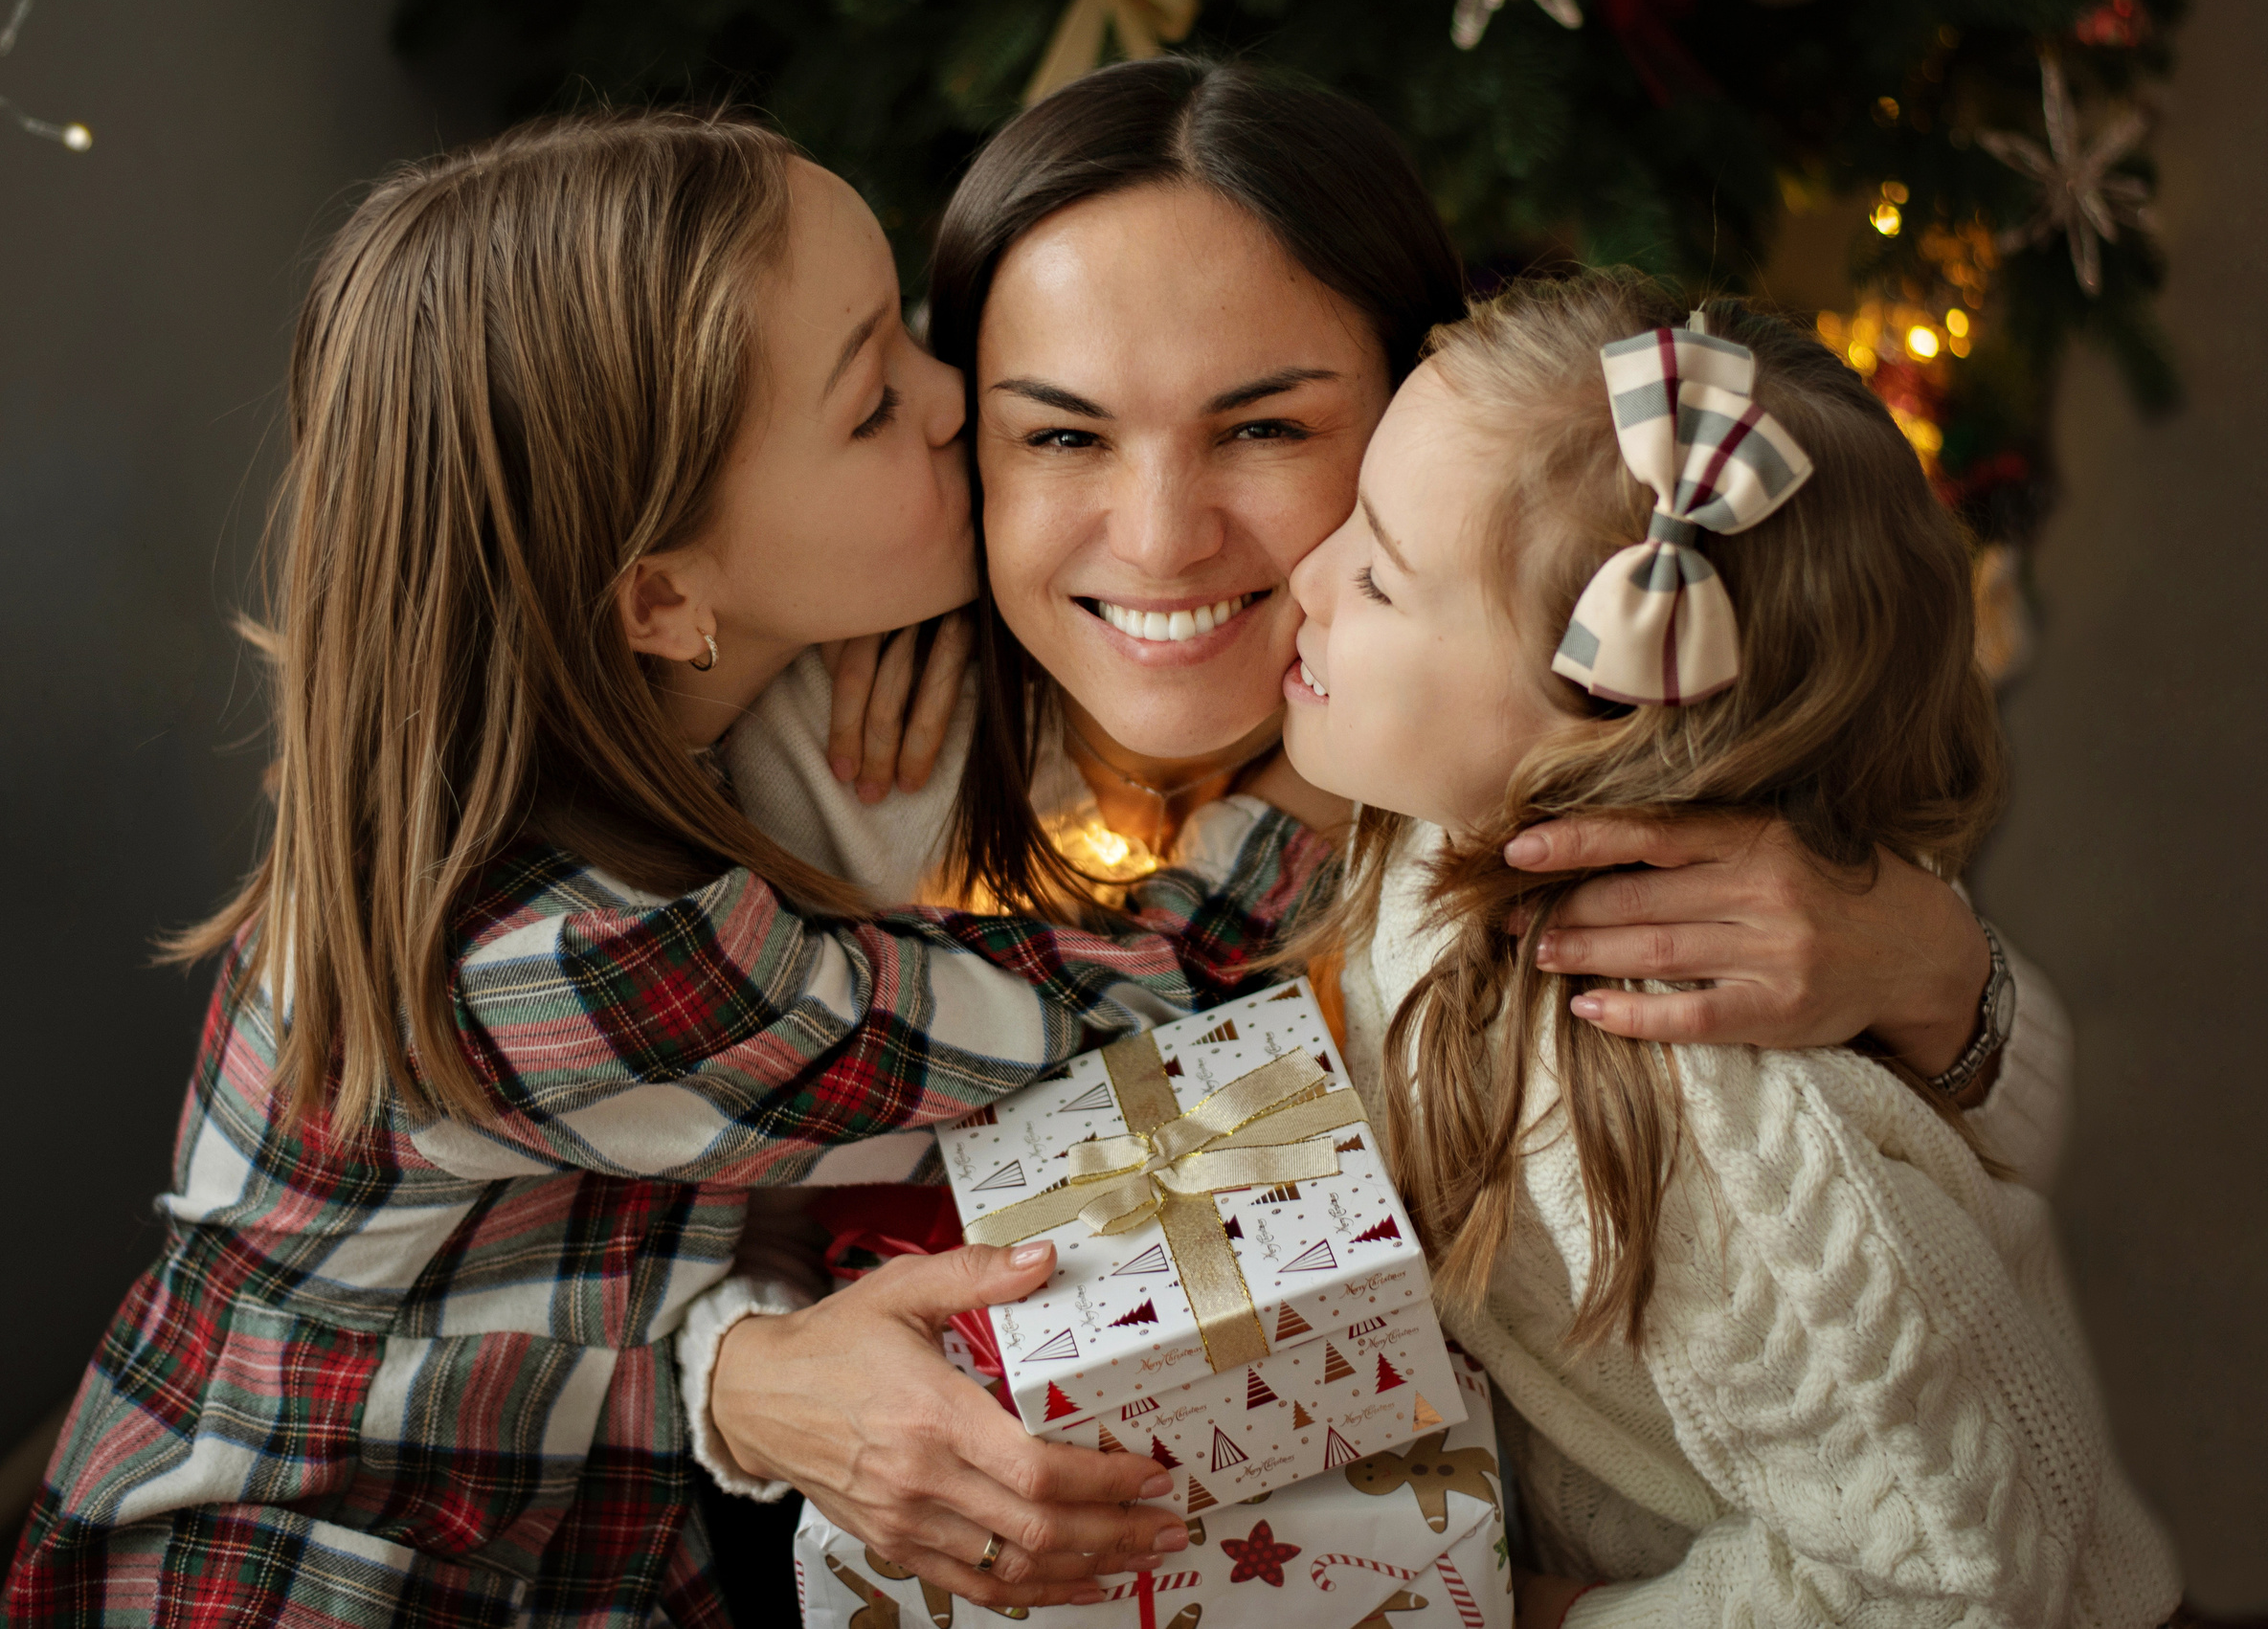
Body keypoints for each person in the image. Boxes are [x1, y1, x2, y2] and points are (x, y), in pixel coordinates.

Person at [692, 55, 2072, 1613]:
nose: (1160, 538)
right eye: (1063, 438)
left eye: (1265, 430)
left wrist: (1948, 987)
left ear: (1420, 402)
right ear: (968, 441)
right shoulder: (856, 745)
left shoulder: (1542, 773)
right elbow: (644, 1205)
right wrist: (747, 1374)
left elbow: (1919, 1274)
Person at [2, 109, 1342, 1626]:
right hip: (313, 1576)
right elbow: (1124, 1001)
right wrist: (1306, 780)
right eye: (870, 406)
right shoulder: (585, 956)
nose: (956, 395)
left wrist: (925, 575)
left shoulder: (523, 759)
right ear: (659, 597)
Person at [1277, 270, 2182, 1626]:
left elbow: (1962, 1586)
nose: (1301, 573)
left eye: (1380, 576)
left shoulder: (1697, 1125)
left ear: (1599, 742)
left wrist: (1558, 1619)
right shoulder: (1445, 813)